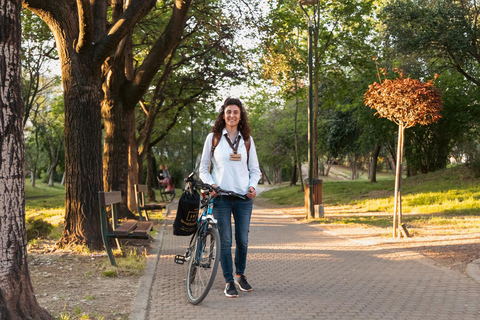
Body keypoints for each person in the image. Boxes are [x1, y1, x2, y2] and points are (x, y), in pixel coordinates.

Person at [199, 97, 261, 298]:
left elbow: (255, 170)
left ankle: (240, 274)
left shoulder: (247, 141)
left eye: (236, 112)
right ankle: (228, 281)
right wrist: (213, 185)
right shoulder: (214, 138)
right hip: (221, 198)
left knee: (242, 240)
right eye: (228, 112)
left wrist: (252, 186)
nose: (232, 115)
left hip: (244, 199)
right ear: (223, 115)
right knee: (225, 241)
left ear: (241, 115)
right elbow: (203, 169)